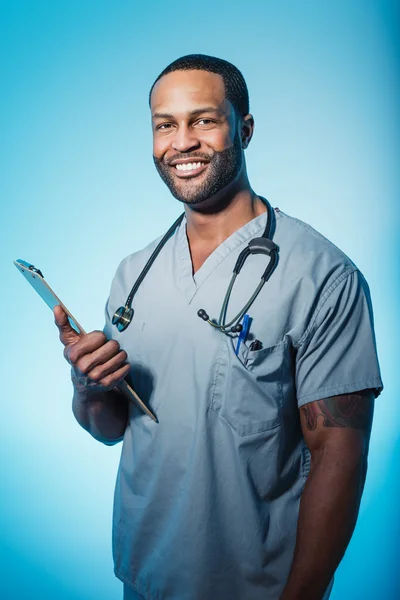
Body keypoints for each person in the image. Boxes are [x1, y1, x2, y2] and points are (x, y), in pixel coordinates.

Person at [54, 54, 383, 600]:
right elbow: (112, 429)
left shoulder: (323, 275)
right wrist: (88, 385)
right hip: (143, 577)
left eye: (203, 120)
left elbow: (338, 455)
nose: (181, 142)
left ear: (244, 129)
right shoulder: (133, 276)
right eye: (165, 125)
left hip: (257, 587)